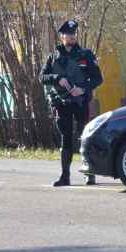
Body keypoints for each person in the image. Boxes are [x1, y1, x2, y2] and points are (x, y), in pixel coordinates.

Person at [39, 19, 103, 187]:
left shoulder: (85, 55)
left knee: (85, 137)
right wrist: (57, 78)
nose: (71, 37)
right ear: (62, 37)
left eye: (73, 34)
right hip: (61, 102)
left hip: (81, 102)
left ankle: (90, 174)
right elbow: (42, 77)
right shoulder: (53, 56)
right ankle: (64, 176)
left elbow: (97, 78)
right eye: (68, 34)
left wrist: (83, 89)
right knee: (65, 138)